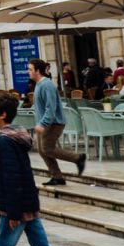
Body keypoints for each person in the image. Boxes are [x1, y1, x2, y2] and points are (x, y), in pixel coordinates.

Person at [0, 94, 64, 246]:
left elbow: (11, 177)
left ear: (2, 115)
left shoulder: (6, 141)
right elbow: (3, 174)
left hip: (16, 206)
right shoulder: (16, 136)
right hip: (29, 203)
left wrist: (13, 212)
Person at [29, 59, 86, 187]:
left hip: (53, 123)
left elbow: (51, 107)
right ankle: (57, 176)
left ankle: (77, 158)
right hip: (43, 123)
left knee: (48, 148)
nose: (28, 72)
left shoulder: (47, 85)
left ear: (38, 71)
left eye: (30, 69)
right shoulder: (38, 84)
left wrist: (43, 123)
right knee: (42, 151)